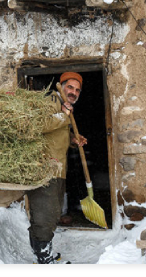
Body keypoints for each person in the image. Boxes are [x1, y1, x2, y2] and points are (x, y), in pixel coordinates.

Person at [26, 72, 87, 264]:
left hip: (57, 169)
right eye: (70, 87)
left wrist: (72, 139)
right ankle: (44, 261)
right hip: (45, 168)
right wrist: (63, 115)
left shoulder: (64, 107)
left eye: (77, 90)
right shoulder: (51, 99)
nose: (73, 92)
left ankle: (45, 255)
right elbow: (39, 124)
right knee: (45, 215)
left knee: (51, 214)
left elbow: (55, 135)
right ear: (61, 86)